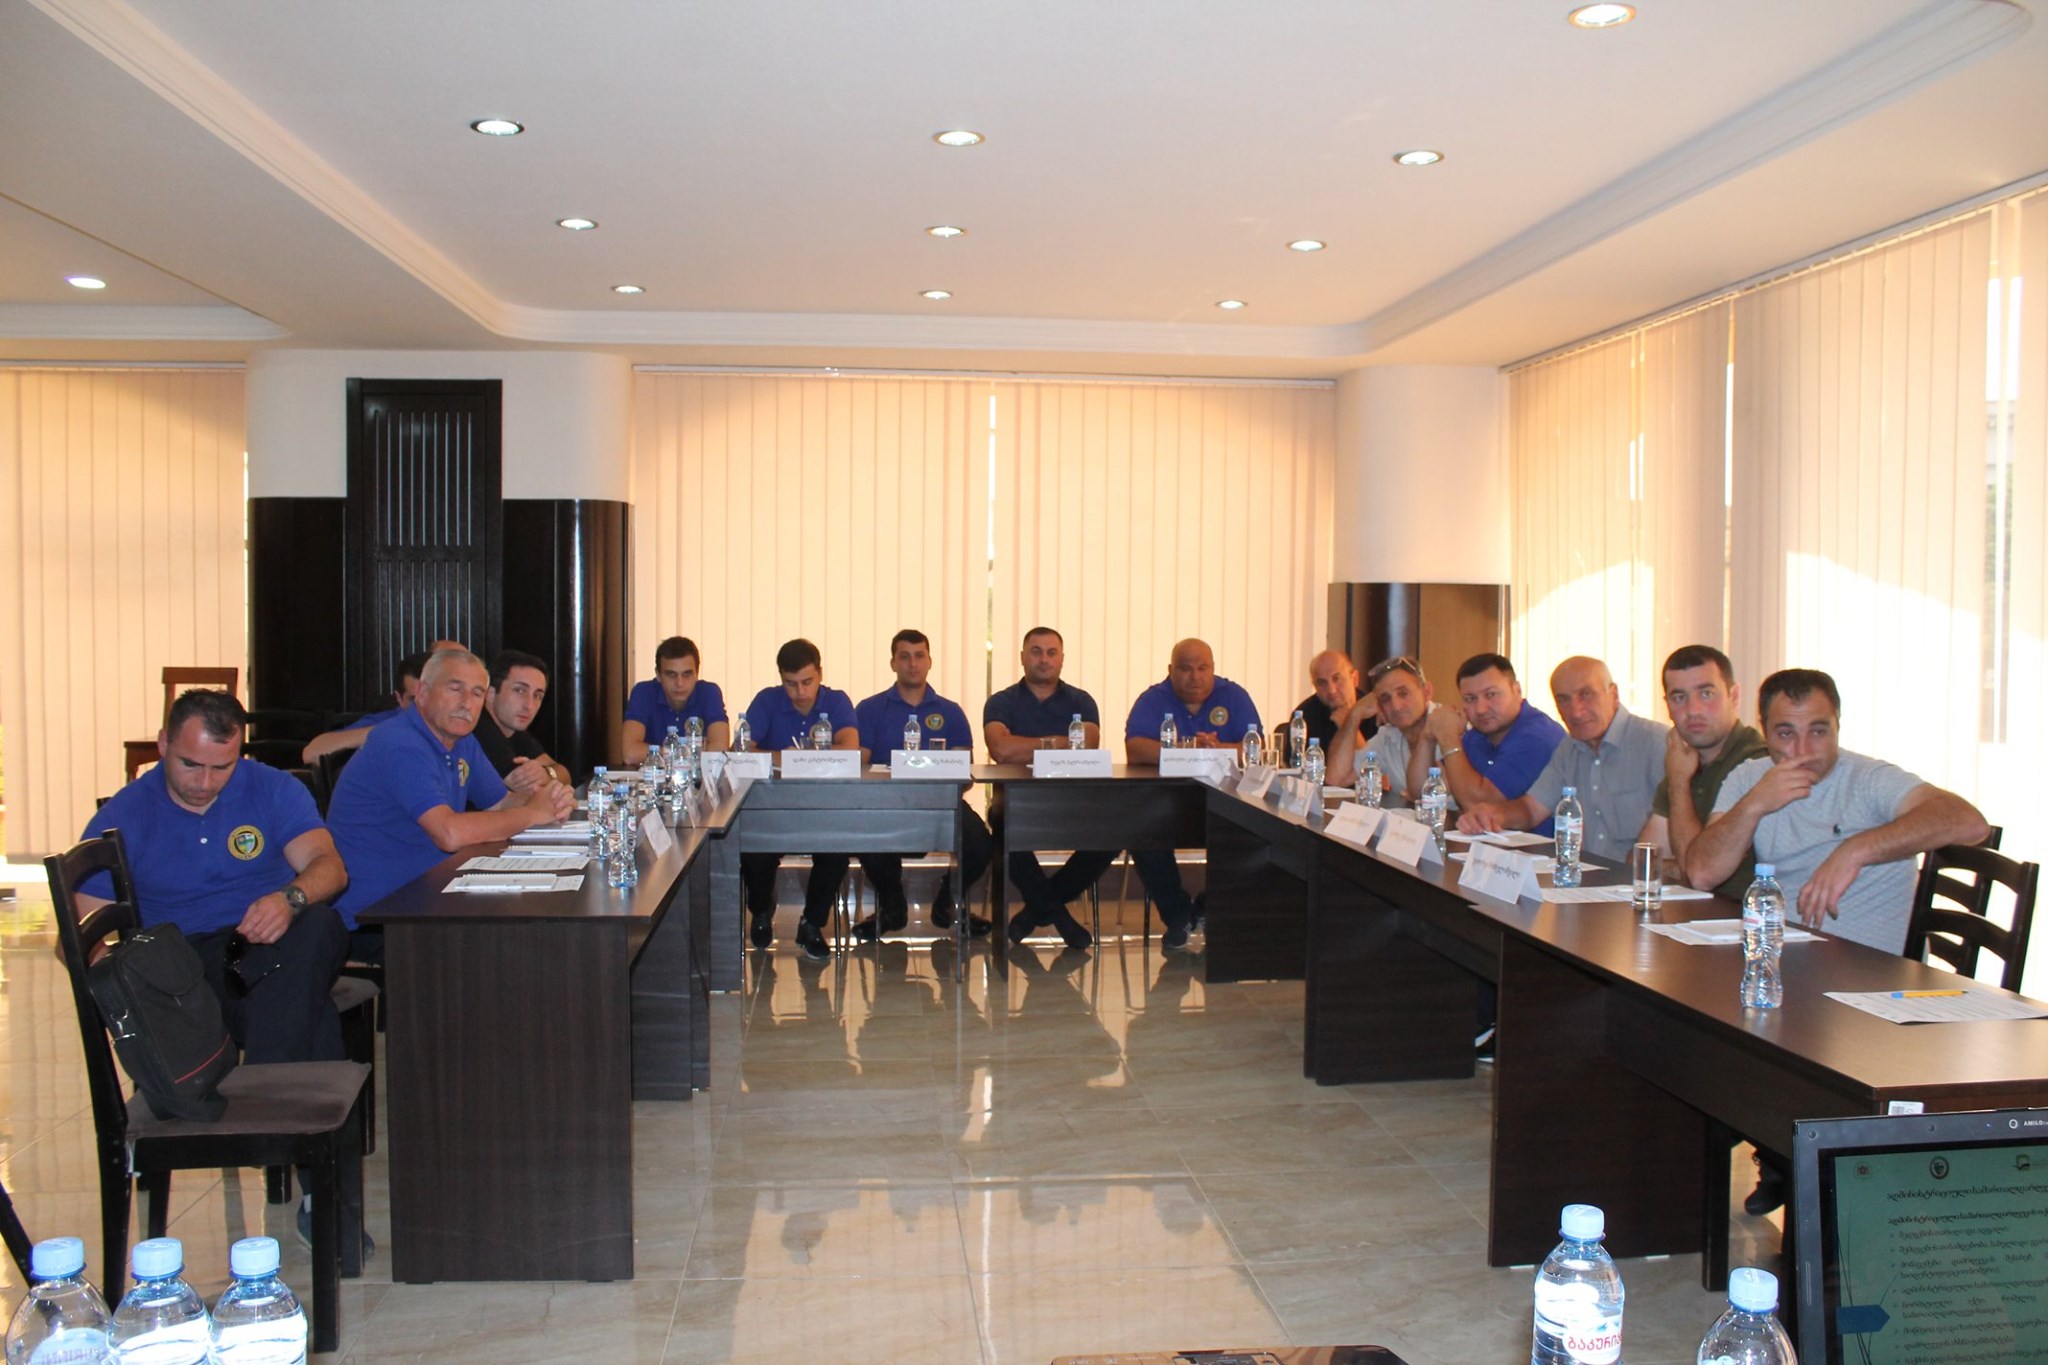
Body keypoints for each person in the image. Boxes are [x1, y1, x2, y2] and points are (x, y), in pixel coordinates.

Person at [80, 689, 350, 1066]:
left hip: (264, 948)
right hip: (184, 970)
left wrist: (289, 899)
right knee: (307, 1006)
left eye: (223, 767)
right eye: (190, 764)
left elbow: (330, 867)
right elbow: (80, 937)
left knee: (318, 923)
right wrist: (133, 994)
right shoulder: (122, 816)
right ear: (163, 744)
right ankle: (275, 1090)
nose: (205, 782)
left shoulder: (273, 788)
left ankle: (259, 1087)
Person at [1688, 668, 1990, 954]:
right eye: (1786, 734)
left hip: (1874, 972)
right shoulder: (1748, 778)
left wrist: (1855, 850)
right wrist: (1755, 804)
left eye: (1818, 732)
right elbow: (1702, 874)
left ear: (1838, 726)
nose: (1804, 750)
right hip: (1785, 959)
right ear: (1764, 731)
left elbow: (1969, 823)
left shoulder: (1869, 779)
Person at [328, 648, 574, 955]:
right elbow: (449, 834)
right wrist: (534, 813)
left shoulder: (462, 740)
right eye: (455, 689)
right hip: (380, 916)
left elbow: (501, 803)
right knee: (527, 943)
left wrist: (548, 800)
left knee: (542, 922)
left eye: (476, 693)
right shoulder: (399, 743)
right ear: (422, 692)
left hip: (433, 893)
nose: (466, 703)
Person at [850, 629, 994, 940]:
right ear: (893, 663)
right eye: (904, 657)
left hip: (941, 804)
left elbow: (963, 771)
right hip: (886, 805)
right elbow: (859, 767)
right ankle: (892, 907)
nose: (912, 664)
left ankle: (947, 903)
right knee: (865, 837)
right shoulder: (869, 709)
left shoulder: (950, 712)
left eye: (919, 656)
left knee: (980, 844)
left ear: (930, 661)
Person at [1457, 656, 1669, 864]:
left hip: (1640, 880)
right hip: (1584, 877)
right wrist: (1494, 814)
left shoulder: (1657, 744)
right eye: (1563, 699)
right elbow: (1531, 809)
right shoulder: (1569, 748)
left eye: (1586, 694)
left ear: (1613, 694)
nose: (1575, 711)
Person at [1124, 638, 1263, 949]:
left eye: (1203, 668)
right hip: (1165, 804)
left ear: (1213, 669)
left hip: (1225, 803)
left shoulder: (1234, 696)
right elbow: (1135, 749)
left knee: (1253, 836)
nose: (1195, 676)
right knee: (1141, 833)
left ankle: (1205, 907)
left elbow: (1255, 749)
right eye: (1186, 669)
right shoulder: (1153, 699)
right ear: (1171, 670)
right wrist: (1188, 750)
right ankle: (1178, 917)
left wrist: (1218, 749)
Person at [984, 626, 1117, 949]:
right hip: (1017, 802)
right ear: (1022, 657)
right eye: (1036, 652)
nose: (1044, 659)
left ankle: (1035, 913)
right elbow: (1001, 750)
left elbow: (1087, 744)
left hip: (1074, 802)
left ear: (1062, 659)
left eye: (1051, 652)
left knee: (1113, 834)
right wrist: (1059, 742)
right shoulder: (1001, 702)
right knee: (999, 825)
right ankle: (1059, 917)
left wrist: (1027, 745)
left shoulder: (1081, 700)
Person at [738, 638, 860, 962]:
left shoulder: (836, 702)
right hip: (773, 807)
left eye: (807, 682)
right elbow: (745, 753)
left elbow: (850, 749)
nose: (800, 692)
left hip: (823, 806)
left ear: (820, 674)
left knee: (836, 850)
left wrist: (792, 757)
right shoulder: (766, 701)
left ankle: (811, 924)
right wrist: (799, 757)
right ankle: (761, 911)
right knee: (753, 851)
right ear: (781, 678)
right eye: (791, 684)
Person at [1638, 645, 1766, 898]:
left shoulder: (1756, 763)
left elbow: (1695, 873)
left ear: (1734, 696)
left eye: (1706, 694)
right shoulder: (1683, 759)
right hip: (1690, 914)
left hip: (1742, 917)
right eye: (1679, 697)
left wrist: (1679, 783)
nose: (1693, 710)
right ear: (1667, 705)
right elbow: (1642, 861)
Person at [1430, 653, 1565, 829]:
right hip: (1489, 844)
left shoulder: (1537, 736)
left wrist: (1449, 739)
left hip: (1540, 846)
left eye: (1491, 694)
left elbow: (1478, 805)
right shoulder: (1479, 733)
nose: (1481, 709)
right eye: (1470, 699)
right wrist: (1428, 735)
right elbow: (1426, 789)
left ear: (1517, 690)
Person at [1331, 656, 1444, 804]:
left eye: (1403, 693)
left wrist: (1415, 794)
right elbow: (1337, 778)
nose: (1396, 706)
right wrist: (1354, 715)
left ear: (1426, 692)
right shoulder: (1388, 735)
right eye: (1385, 699)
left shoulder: (1451, 728)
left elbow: (1427, 794)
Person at [299, 650, 428, 764]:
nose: (423, 707)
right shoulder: (387, 721)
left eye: (428, 697)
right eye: (413, 700)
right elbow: (311, 754)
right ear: (399, 699)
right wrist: (387, 732)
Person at [622, 636, 731, 764]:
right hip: (654, 776)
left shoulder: (709, 693)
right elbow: (630, 754)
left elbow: (720, 751)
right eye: (671, 674)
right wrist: (691, 754)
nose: (679, 683)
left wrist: (658, 753)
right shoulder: (643, 692)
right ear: (658, 675)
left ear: (697, 674)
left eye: (687, 674)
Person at [473, 649, 569, 788]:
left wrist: (547, 774)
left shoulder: (513, 729)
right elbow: (526, 789)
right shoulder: (480, 729)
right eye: (519, 690)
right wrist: (549, 776)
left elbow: (564, 773)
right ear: (490, 694)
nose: (529, 705)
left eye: (537, 696)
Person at [1294, 650, 1377, 757]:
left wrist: (1349, 727)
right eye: (1322, 682)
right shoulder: (1305, 716)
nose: (1331, 690)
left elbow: (1374, 764)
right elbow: (1294, 764)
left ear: (1354, 679)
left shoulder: (1376, 711)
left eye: (1336, 678)